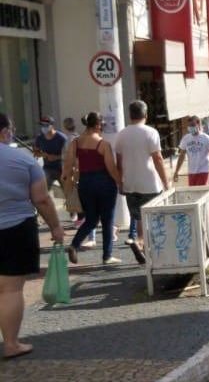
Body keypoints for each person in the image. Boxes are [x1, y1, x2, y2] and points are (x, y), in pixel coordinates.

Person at [0, 113, 64, 360]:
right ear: (6, 131)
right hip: (16, 228)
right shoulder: (23, 159)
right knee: (10, 289)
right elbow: (42, 199)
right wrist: (56, 228)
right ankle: (11, 344)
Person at [63, 112, 122, 265]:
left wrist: (67, 182)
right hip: (104, 183)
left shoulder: (76, 142)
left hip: (85, 183)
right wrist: (120, 182)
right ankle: (107, 256)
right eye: (102, 125)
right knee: (107, 219)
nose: (102, 127)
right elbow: (111, 168)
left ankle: (74, 245)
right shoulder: (103, 144)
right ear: (97, 125)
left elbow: (68, 165)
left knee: (91, 219)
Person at [115, 100, 170, 263]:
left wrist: (121, 182)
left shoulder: (121, 134)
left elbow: (119, 161)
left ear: (130, 115)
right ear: (146, 115)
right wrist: (165, 182)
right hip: (150, 183)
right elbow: (158, 158)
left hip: (130, 184)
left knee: (138, 217)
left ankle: (140, 242)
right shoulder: (150, 132)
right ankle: (149, 248)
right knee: (154, 218)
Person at [173, 115, 209, 186]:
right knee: (193, 194)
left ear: (198, 124)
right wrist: (176, 171)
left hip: (204, 171)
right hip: (192, 172)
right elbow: (181, 156)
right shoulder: (186, 139)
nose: (191, 127)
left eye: (193, 125)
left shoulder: (206, 138)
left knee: (200, 193)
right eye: (189, 126)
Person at [34, 116, 68, 198]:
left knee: (69, 193)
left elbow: (69, 155)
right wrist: (43, 154)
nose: (43, 128)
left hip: (62, 169)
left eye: (46, 125)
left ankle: (72, 209)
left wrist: (56, 157)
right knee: (42, 192)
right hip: (47, 168)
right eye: (42, 125)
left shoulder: (61, 138)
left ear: (52, 126)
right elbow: (36, 152)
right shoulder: (39, 138)